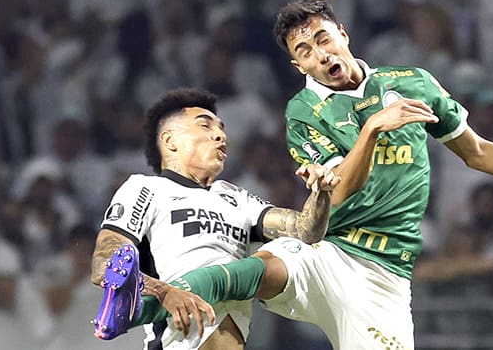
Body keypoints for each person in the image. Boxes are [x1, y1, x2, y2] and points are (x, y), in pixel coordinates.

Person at [95, 0, 493, 349]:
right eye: (304, 50)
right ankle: (133, 304)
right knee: (254, 269)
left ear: (342, 32)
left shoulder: (414, 82)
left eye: (322, 38)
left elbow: (477, 153)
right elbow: (343, 186)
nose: (319, 53)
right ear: (298, 66)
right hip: (332, 252)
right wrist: (373, 130)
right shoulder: (303, 113)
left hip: (385, 276)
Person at [89, 87, 340, 350]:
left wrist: (321, 192)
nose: (220, 135)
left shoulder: (237, 197)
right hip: (177, 343)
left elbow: (306, 231)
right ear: (170, 141)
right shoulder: (146, 188)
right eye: (205, 126)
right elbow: (103, 264)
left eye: (221, 128)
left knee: (291, 251)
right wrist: (164, 292)